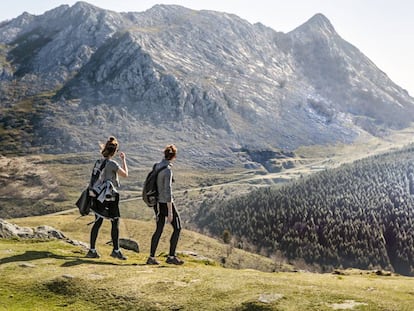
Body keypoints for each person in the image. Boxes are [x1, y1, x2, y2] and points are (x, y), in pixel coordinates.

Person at [86, 136, 129, 260]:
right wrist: (124, 160)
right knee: (115, 221)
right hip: (109, 197)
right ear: (114, 151)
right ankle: (116, 250)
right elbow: (125, 174)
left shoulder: (98, 162)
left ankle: (92, 250)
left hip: (97, 196)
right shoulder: (112, 164)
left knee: (98, 221)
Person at [146, 144, 184, 265]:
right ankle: (171, 256)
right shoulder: (167, 171)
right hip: (166, 203)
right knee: (177, 227)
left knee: (159, 229)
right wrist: (170, 211)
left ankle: (151, 257)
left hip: (157, 203)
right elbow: (168, 191)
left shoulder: (157, 166)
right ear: (174, 157)